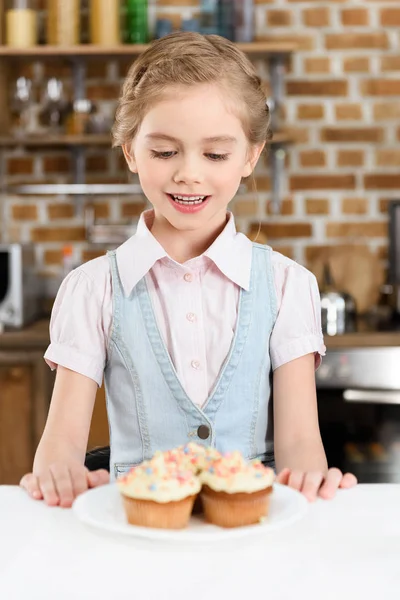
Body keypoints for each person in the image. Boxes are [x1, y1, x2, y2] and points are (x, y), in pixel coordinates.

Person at [20, 32, 357, 508]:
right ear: (131, 152)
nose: (188, 174)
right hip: (138, 528)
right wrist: (57, 478)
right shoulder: (92, 289)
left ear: (250, 156)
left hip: (251, 528)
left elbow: (301, 445)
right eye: (164, 152)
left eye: (215, 154)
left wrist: (311, 485)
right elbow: (61, 445)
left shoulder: (287, 285)